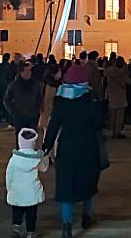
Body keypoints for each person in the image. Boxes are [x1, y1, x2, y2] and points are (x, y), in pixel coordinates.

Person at [42, 63, 103, 238]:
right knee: (88, 182)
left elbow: (53, 125)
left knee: (65, 186)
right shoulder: (90, 98)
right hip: (87, 146)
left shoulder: (60, 99)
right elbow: (99, 122)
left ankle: (67, 226)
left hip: (67, 147)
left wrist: (46, 146)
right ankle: (86, 216)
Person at [6, 128, 50, 238]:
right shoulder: (36, 158)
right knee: (31, 213)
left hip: (17, 191)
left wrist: (9, 188)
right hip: (32, 191)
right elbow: (43, 169)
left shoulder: (14, 158)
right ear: (33, 143)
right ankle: (30, 232)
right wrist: (45, 158)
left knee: (17, 211)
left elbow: (9, 175)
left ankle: (16, 228)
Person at [4, 62, 43, 145]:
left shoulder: (35, 84)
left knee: (31, 138)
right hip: (19, 116)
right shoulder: (14, 85)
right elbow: (6, 99)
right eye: (27, 71)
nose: (29, 73)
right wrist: (13, 111)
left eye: (30, 71)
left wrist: (37, 109)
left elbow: (39, 98)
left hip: (32, 116)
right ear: (21, 72)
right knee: (20, 138)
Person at [104, 57, 131, 139]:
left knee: (113, 115)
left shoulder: (109, 71)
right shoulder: (122, 73)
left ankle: (113, 132)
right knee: (119, 116)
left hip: (111, 94)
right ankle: (117, 132)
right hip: (120, 95)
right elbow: (130, 82)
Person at [0, 54, 17, 124]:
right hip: (7, 86)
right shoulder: (9, 67)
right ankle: (7, 117)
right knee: (7, 102)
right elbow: (12, 76)